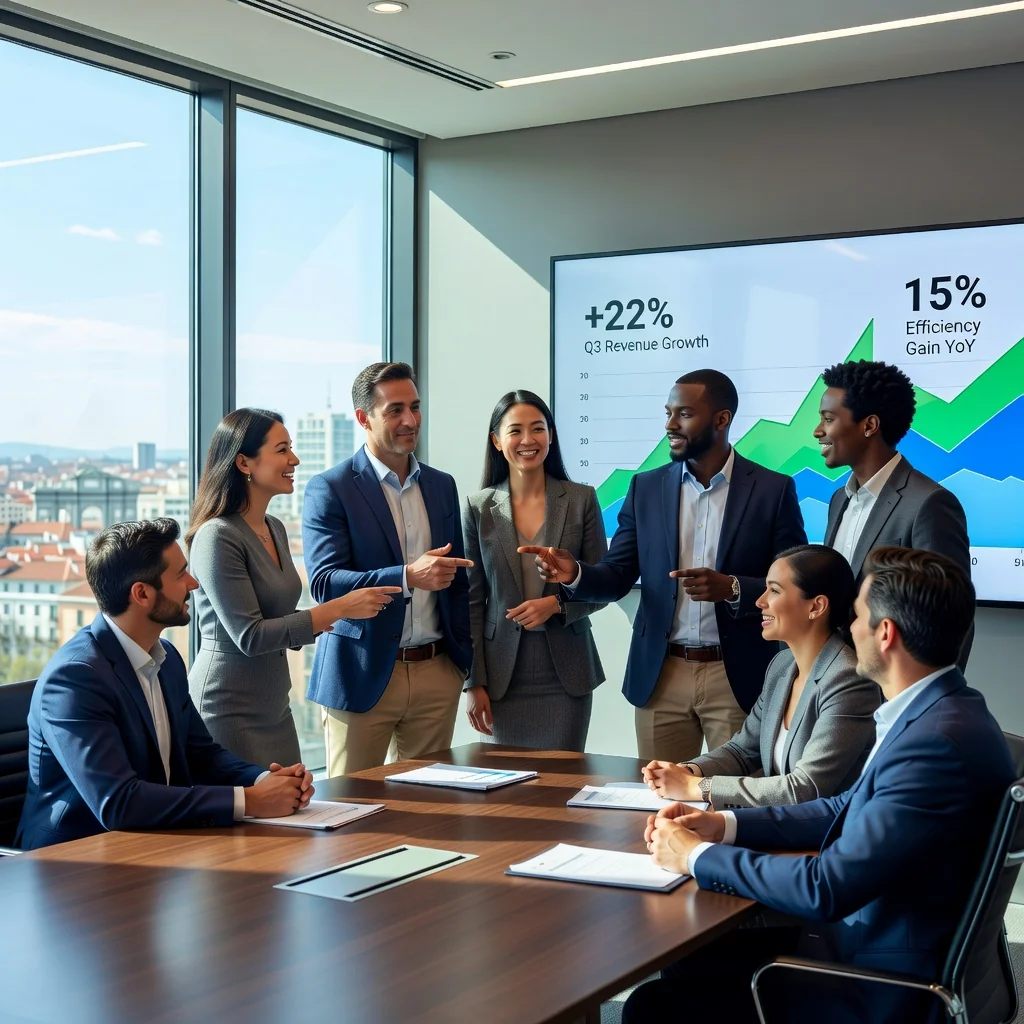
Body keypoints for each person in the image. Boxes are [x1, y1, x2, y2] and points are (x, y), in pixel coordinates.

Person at [625, 547, 1015, 1024]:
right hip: (882, 942)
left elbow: (826, 887)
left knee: (653, 1007)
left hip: (876, 984)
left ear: (886, 634)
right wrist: (722, 826)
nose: (850, 628)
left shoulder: (931, 744)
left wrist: (695, 856)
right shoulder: (946, 712)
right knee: (688, 959)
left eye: (858, 616)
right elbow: (843, 807)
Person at [521, 369, 807, 763]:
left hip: (738, 676)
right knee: (658, 793)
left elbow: (795, 584)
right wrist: (576, 574)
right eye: (668, 413)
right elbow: (618, 574)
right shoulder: (645, 487)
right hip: (660, 676)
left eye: (684, 414)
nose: (670, 424)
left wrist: (734, 588)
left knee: (734, 793)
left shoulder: (773, 490)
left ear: (722, 419)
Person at [16, 519, 315, 851]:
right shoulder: (75, 679)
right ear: (142, 593)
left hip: (153, 842)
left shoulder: (167, 658)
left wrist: (267, 781)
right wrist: (250, 801)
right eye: (180, 574)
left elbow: (202, 755)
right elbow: (118, 803)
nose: (194, 583)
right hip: (73, 859)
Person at [186, 409, 401, 767]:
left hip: (275, 706)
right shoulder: (216, 536)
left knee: (292, 798)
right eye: (282, 450)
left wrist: (339, 615)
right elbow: (251, 636)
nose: (295, 459)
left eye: (292, 448)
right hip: (227, 708)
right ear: (244, 462)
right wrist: (339, 608)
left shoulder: (274, 527)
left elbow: (281, 619)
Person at [303, 362, 473, 776]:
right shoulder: (331, 487)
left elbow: (459, 582)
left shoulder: (442, 485)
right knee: (351, 805)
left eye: (414, 407)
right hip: (361, 673)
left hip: (437, 672)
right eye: (395, 410)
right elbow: (325, 583)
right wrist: (407, 576)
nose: (410, 420)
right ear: (364, 418)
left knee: (430, 804)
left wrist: (462, 667)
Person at [641, 544, 879, 808]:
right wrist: (687, 771)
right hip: (781, 823)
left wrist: (697, 787)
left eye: (774, 590)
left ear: (816, 606)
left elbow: (804, 789)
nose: (759, 601)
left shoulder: (849, 680)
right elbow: (742, 750)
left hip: (829, 830)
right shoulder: (782, 665)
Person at [462, 390, 607, 751]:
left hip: (567, 673)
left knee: (563, 779)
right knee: (504, 782)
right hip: (500, 675)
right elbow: (471, 602)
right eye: (515, 431)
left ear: (551, 435)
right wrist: (473, 682)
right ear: (497, 441)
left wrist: (556, 604)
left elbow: (602, 585)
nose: (528, 440)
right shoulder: (478, 508)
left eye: (538, 428)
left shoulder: (581, 499)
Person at [815, 359, 972, 667]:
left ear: (869, 425)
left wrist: (929, 693)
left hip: (891, 686)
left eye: (828, 419)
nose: (817, 431)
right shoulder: (838, 499)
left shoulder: (929, 503)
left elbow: (953, 618)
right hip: (835, 680)